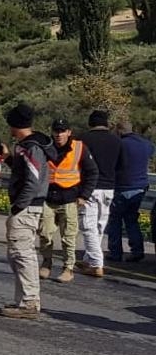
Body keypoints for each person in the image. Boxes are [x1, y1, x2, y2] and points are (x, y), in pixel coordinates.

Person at [0, 103, 51, 318]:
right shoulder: (30, 146)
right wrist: (8, 158)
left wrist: (20, 205)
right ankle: (23, 301)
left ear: (15, 124)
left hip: (27, 207)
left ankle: (29, 303)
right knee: (17, 255)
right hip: (29, 206)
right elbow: (26, 172)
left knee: (22, 254)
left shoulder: (31, 147)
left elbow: (33, 180)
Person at [38, 118, 97, 283]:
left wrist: (84, 195)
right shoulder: (46, 148)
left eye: (62, 131)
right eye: (56, 131)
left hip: (69, 198)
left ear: (69, 132)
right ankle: (46, 263)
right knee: (44, 234)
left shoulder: (79, 148)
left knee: (68, 236)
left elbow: (92, 172)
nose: (59, 134)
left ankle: (68, 268)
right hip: (48, 197)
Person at [77, 110, 120, 278]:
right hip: (109, 187)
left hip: (89, 187)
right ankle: (89, 258)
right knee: (100, 226)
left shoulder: (83, 140)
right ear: (106, 123)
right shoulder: (116, 140)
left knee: (88, 226)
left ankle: (96, 264)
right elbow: (120, 165)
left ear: (90, 123)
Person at [106, 120, 154, 264]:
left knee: (115, 221)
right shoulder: (146, 144)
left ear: (120, 131)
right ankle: (137, 251)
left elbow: (112, 164)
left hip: (122, 187)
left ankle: (115, 253)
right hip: (140, 187)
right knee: (131, 220)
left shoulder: (119, 144)